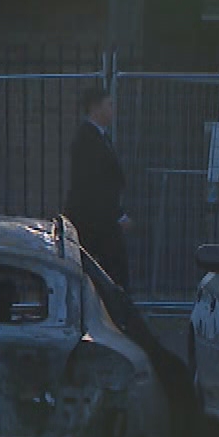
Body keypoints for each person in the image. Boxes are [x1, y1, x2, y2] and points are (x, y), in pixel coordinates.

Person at [63, 87, 133, 288]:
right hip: (94, 219)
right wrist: (118, 215)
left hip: (100, 219)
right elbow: (94, 184)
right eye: (109, 105)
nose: (113, 110)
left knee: (102, 271)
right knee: (112, 272)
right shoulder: (87, 140)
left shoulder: (100, 137)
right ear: (95, 108)